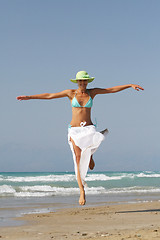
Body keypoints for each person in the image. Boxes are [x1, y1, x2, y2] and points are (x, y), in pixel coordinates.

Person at [17, 70, 144, 205]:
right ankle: (82, 190)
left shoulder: (92, 92)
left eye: (85, 80)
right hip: (75, 131)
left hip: (88, 129)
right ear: (77, 82)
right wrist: (30, 97)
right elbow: (50, 95)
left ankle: (90, 156)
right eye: (80, 81)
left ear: (88, 81)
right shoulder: (70, 93)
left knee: (93, 144)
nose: (82, 83)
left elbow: (111, 90)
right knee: (77, 158)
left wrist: (129, 85)